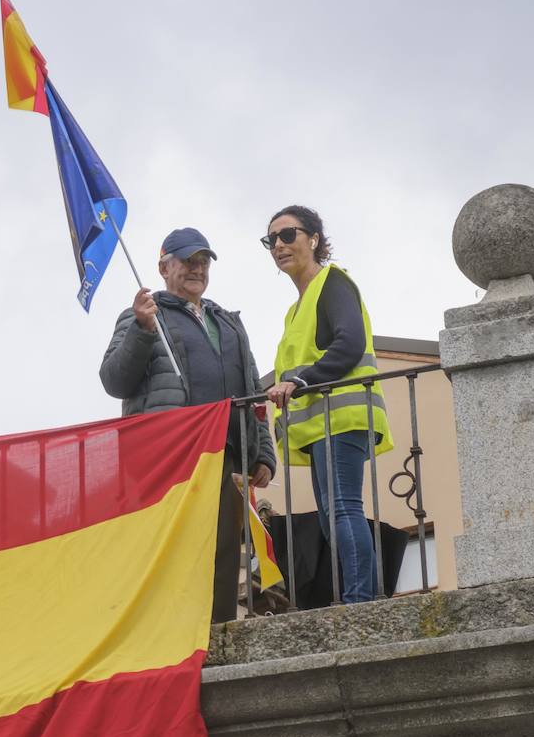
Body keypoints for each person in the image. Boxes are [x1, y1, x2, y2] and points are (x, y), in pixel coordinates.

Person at [100, 227, 276, 623]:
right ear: (164, 268)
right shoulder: (141, 316)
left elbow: (253, 393)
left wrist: (263, 450)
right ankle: (171, 633)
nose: (197, 269)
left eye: (203, 261)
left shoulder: (229, 324)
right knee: (173, 548)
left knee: (224, 549)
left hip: (228, 455)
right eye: (187, 261)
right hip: (169, 455)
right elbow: (113, 380)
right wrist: (142, 332)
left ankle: (218, 632)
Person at [262, 205, 391, 604]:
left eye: (288, 235)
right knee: (330, 516)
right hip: (322, 425)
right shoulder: (295, 309)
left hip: (342, 418)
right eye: (271, 240)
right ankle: (355, 595)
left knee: (342, 509)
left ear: (314, 239)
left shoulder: (332, 283)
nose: (279, 246)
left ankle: (360, 599)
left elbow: (349, 344)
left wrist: (300, 380)